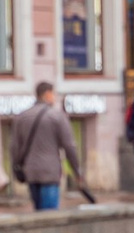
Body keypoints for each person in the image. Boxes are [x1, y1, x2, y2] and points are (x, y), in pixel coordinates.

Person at [7, 80, 85, 211]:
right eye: (54, 94)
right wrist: (77, 171)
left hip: (31, 172)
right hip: (50, 172)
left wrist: (16, 169)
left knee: (38, 213)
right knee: (50, 217)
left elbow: (14, 147)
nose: (54, 97)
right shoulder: (57, 116)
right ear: (47, 94)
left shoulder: (22, 117)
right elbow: (69, 146)